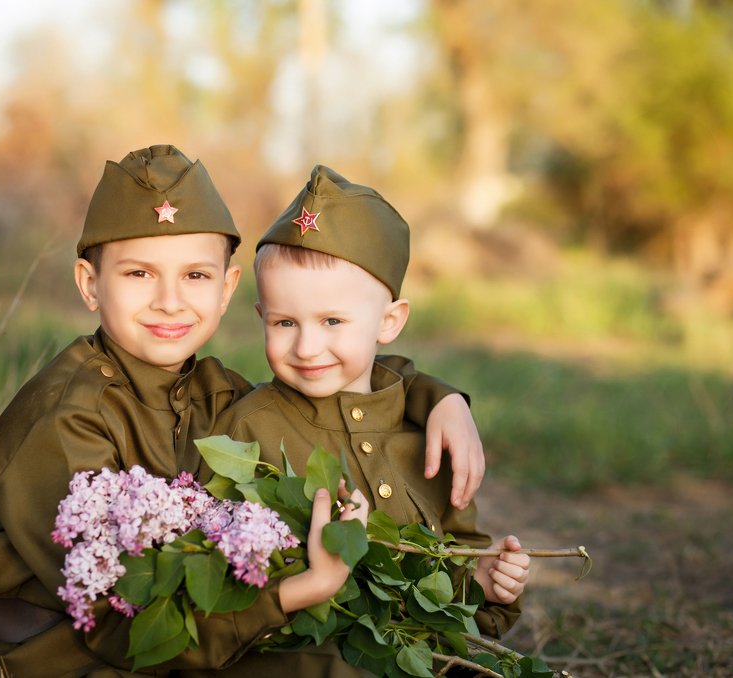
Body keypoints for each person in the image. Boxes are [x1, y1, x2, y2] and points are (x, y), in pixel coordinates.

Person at [0, 145, 485, 677]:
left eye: (196, 276)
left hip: (191, 636)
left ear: (227, 288)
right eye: (138, 274)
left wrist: (437, 397)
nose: (170, 301)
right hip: (68, 656)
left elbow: (334, 374)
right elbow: (121, 623)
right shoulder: (66, 418)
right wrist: (301, 590)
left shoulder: (210, 387)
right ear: (91, 285)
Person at [202, 165, 531, 677]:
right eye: (284, 322)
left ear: (390, 321)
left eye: (332, 321)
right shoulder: (248, 431)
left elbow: (454, 557)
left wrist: (483, 585)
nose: (307, 347)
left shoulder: (427, 434)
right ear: (261, 314)